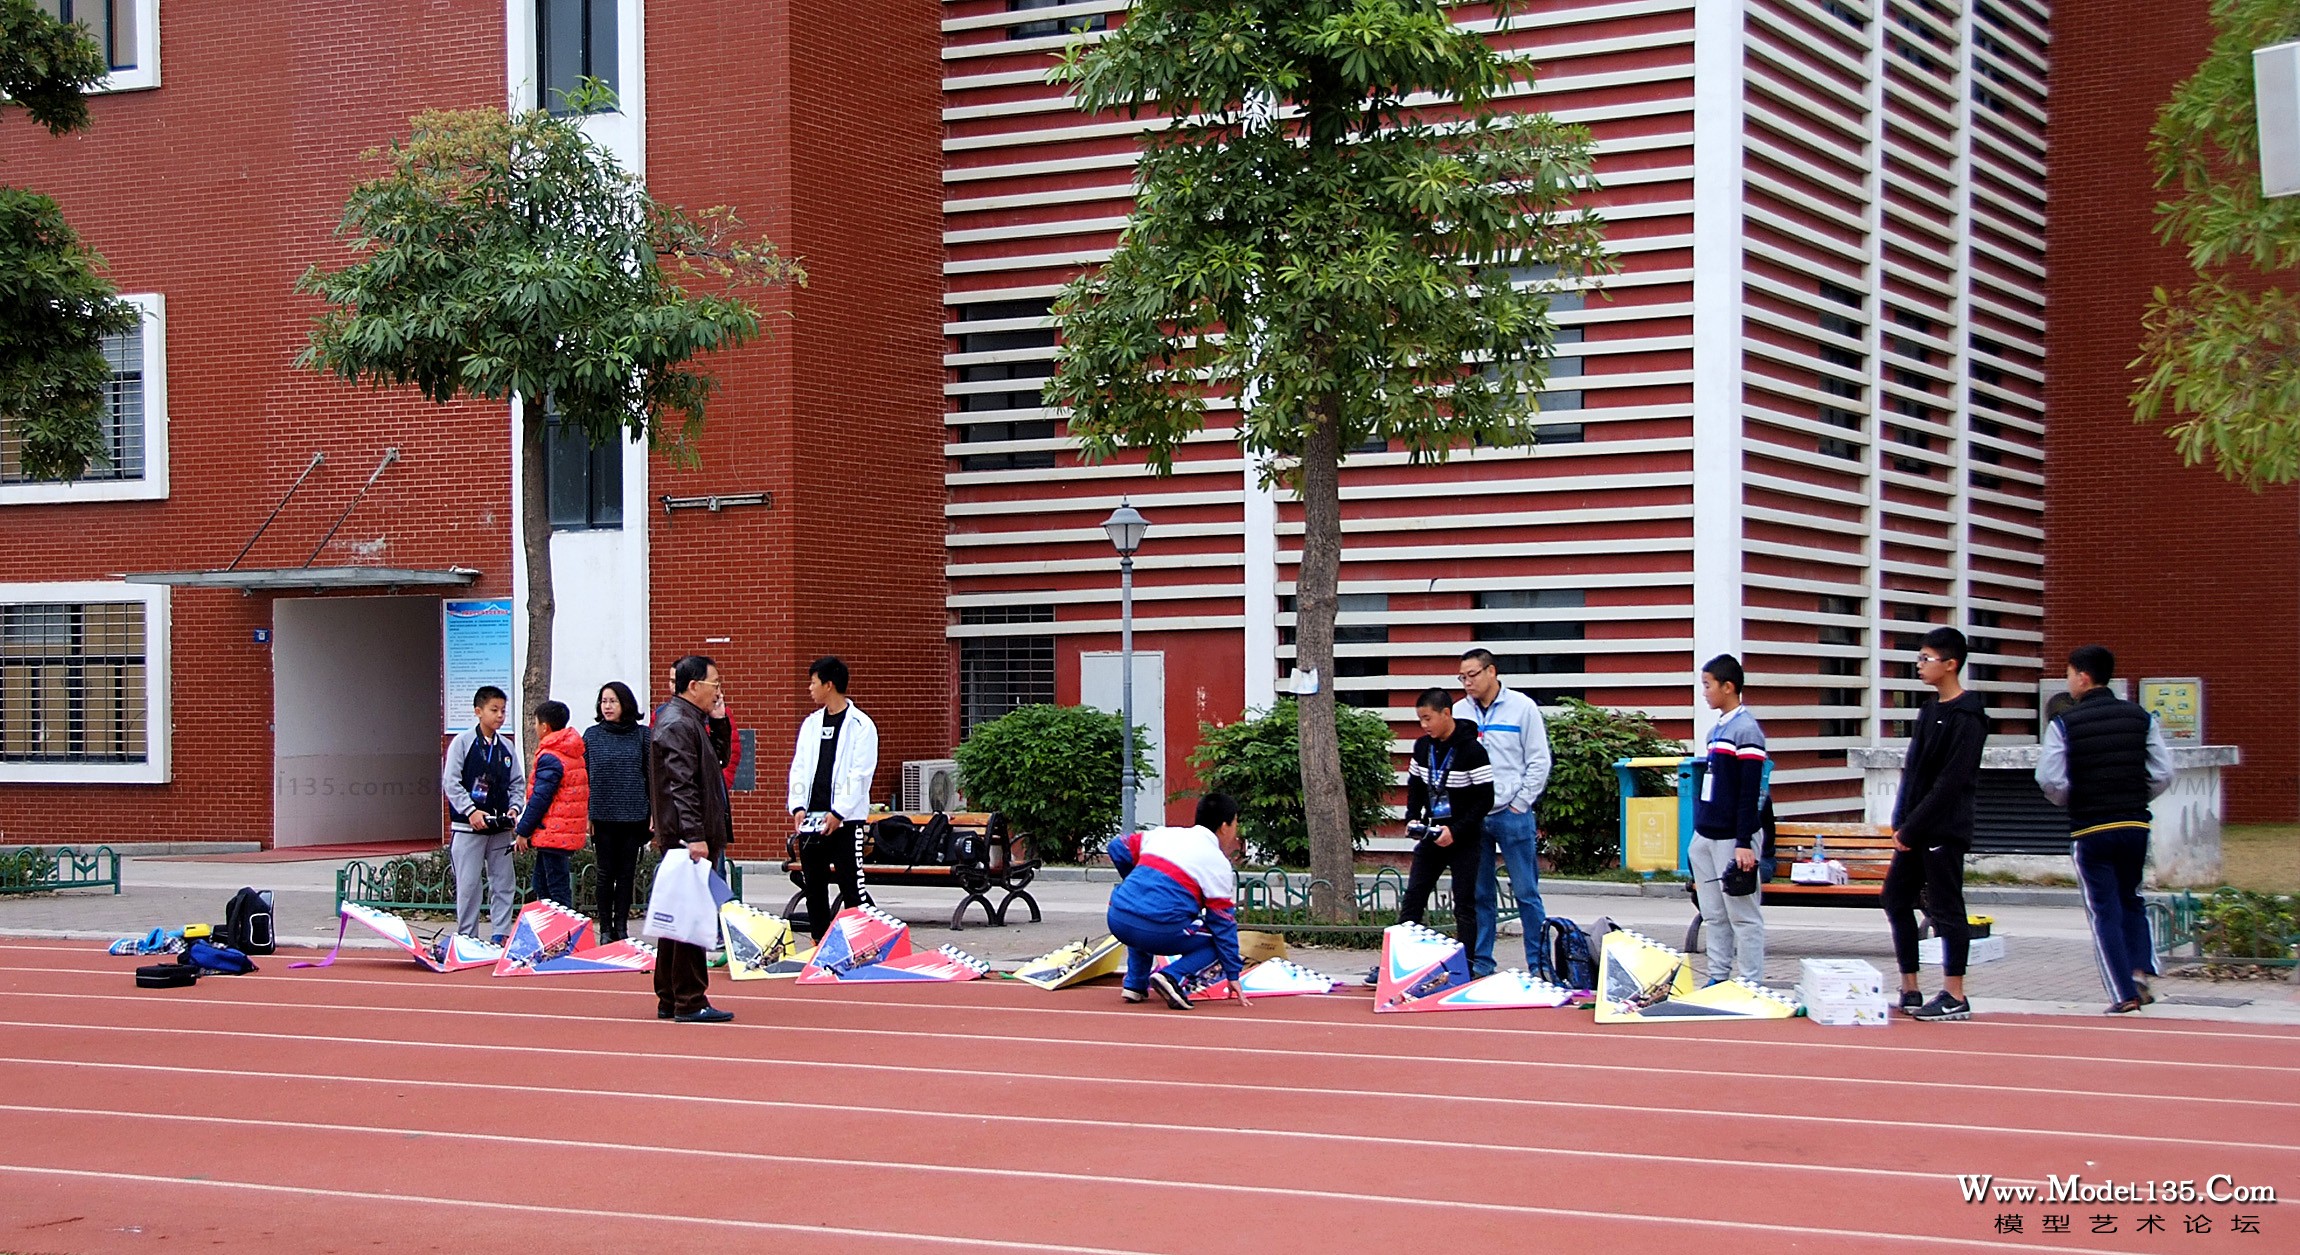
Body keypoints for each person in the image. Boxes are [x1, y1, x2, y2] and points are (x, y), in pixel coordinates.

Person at [2036, 645, 2175, 1014]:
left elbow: (2050, 779)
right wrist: (2134, 794)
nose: (2068, 682)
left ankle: (2122, 991)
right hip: (2133, 822)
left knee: (2103, 910)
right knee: (2132, 898)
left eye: (2068, 674)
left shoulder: (2063, 724)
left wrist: (2074, 798)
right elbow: (2162, 772)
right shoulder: (2141, 718)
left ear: (2083, 677)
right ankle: (2140, 971)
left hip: (2091, 828)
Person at [1883, 626, 1989, 1022]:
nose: (1919, 665)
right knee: (1895, 898)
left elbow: (1952, 781)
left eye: (1926, 659)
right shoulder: (1929, 710)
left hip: (1943, 829)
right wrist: (1901, 821)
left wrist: (1914, 827)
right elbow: (1914, 771)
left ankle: (1955, 993)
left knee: (1946, 907)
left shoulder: (1968, 717)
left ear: (1950, 664)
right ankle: (1910, 985)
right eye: (1919, 658)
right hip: (1913, 827)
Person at [1453, 648, 1552, 978]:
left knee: (1526, 893)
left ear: (1491, 672)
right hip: (1474, 815)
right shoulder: (1459, 711)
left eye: (1472, 675)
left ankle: (1539, 966)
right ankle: (1481, 964)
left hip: (1512, 813)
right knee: (1479, 894)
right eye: (1462, 677)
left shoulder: (1521, 707)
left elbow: (1538, 760)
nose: (1467, 683)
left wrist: (1520, 803)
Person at [648, 655, 734, 1023]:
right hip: (687, 837)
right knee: (690, 919)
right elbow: (681, 784)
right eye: (714, 683)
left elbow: (716, 760)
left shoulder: (688, 720)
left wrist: (719, 722)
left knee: (677, 917)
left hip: (688, 833)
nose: (718, 689)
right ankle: (690, 997)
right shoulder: (678, 723)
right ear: (694, 685)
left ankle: (670, 995)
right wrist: (694, 835)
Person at [1104, 793, 1247, 1010]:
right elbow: (1223, 923)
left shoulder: (1164, 834)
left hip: (1118, 918)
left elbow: (1117, 846)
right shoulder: (1217, 863)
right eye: (1236, 824)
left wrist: (1133, 882)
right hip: (1158, 928)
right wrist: (1233, 973)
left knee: (1143, 915)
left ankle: (1135, 984)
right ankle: (1172, 976)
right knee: (1216, 941)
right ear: (1225, 826)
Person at [785, 656, 880, 942]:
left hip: (845, 821)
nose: (809, 688)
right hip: (812, 820)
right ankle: (819, 940)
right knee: (814, 884)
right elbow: (799, 766)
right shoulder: (811, 724)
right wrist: (798, 806)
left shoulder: (861, 725)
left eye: (813, 682)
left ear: (829, 684)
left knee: (851, 884)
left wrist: (839, 812)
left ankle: (860, 942)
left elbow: (860, 773)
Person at [1690, 654, 1768, 986]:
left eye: (1708, 685)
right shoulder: (1716, 730)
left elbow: (1750, 792)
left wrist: (1743, 843)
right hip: (1706, 834)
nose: (1704, 692)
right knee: (1714, 915)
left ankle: (1750, 982)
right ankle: (1718, 978)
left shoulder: (1746, 730)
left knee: (1743, 916)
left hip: (1732, 838)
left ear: (1728, 686)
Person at [1400, 688, 1490, 958]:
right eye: (1420, 720)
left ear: (1446, 714)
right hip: (1432, 832)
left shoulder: (1473, 751)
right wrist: (1413, 816)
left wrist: (1457, 830)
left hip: (1464, 837)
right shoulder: (1423, 747)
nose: (1424, 725)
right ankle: (1400, 959)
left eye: (1428, 718)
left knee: (1464, 903)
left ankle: (1467, 964)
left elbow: (1485, 800)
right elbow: (1415, 785)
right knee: (1414, 895)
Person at [441, 685, 524, 944]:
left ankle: (500, 934)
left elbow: (517, 783)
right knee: (468, 886)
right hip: (468, 828)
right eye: (494, 710)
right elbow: (451, 782)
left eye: (503, 710)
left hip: (499, 829)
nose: (500, 715)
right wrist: (471, 811)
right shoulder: (463, 743)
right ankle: (468, 936)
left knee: (503, 883)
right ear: (478, 712)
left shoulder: (506, 747)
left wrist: (514, 808)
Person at [584, 681, 652, 942]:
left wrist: (653, 813)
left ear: (625, 703)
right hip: (602, 815)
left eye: (613, 701)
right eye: (604, 701)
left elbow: (650, 776)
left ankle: (621, 928)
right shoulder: (591, 735)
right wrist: (587, 814)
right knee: (604, 873)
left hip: (634, 814)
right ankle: (605, 930)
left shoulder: (643, 735)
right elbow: (584, 777)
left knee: (626, 874)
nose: (608, 706)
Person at [513, 700, 588, 909]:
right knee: (543, 884)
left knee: (555, 890)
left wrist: (523, 830)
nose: (534, 728)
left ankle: (564, 935)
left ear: (545, 727)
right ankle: (553, 932)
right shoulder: (571, 752)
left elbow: (540, 798)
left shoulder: (551, 757)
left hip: (553, 832)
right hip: (562, 831)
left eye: (535, 723)